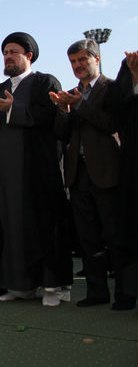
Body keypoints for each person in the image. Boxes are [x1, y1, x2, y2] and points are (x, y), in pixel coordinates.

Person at [0, 32, 72, 306]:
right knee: (10, 227)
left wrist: (12, 109)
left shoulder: (45, 82)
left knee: (44, 226)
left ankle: (53, 287)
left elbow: (51, 117)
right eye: (5, 52)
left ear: (28, 55)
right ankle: (20, 285)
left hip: (37, 173)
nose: (8, 56)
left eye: (13, 52)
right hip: (5, 176)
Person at [50, 39, 131, 309]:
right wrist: (63, 110)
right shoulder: (72, 93)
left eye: (82, 60)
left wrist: (80, 106)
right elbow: (62, 133)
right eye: (73, 62)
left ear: (97, 59)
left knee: (115, 236)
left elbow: (111, 124)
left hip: (107, 172)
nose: (77, 66)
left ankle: (125, 293)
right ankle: (97, 292)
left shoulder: (112, 88)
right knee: (87, 237)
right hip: (78, 174)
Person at [107, 51, 138, 309]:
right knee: (128, 231)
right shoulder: (128, 66)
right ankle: (127, 294)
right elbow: (115, 112)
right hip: (132, 164)